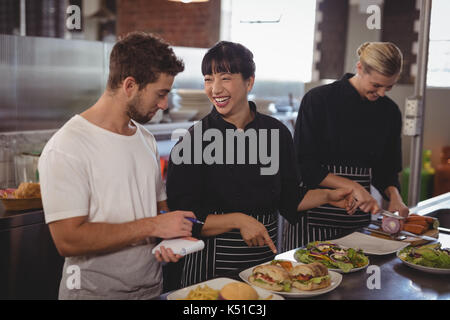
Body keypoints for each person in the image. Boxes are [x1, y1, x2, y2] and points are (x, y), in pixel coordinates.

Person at [165, 41, 352, 289]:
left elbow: (289, 197)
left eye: (226, 78)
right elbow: (184, 217)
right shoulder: (193, 140)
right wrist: (238, 220)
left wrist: (328, 195)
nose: (215, 88)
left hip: (264, 265)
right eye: (208, 79)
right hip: (211, 266)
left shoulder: (277, 133)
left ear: (249, 82)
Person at [38, 32, 196, 300]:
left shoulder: (145, 138)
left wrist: (173, 234)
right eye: (160, 93)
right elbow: (68, 240)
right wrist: (154, 226)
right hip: (94, 294)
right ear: (130, 85)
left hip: (151, 288)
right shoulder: (67, 146)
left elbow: (157, 206)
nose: (164, 104)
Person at [285, 42, 409, 250]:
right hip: (313, 217)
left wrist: (395, 196)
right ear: (360, 68)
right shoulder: (319, 100)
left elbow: (386, 169)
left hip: (357, 223)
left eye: (388, 87)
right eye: (376, 85)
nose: (381, 93)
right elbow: (304, 165)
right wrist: (353, 186)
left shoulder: (389, 112)